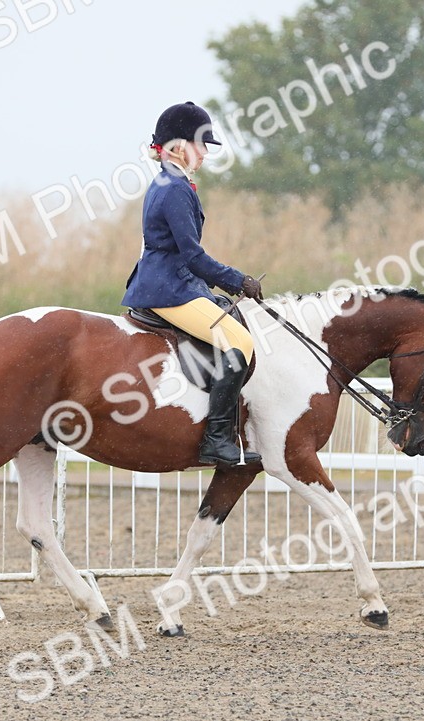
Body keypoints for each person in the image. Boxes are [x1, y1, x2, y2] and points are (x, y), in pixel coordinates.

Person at [122, 101, 264, 466]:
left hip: (170, 283)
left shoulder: (169, 183)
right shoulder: (175, 189)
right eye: (201, 145)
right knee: (240, 340)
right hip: (168, 290)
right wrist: (238, 280)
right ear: (179, 145)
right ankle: (217, 439)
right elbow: (192, 256)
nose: (204, 153)